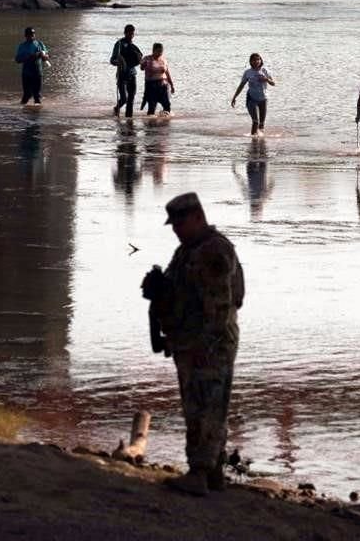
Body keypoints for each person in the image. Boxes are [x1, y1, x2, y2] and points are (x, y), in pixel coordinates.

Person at [143, 192, 245, 496]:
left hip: (209, 345)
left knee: (207, 408)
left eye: (180, 223)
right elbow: (179, 292)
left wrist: (203, 345)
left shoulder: (214, 251)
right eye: (173, 224)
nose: (176, 229)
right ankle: (212, 473)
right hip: (190, 343)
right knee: (198, 407)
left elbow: (220, 306)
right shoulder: (187, 251)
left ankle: (200, 472)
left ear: (198, 218)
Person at [231, 53, 275, 136]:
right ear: (250, 62)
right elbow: (241, 85)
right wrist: (234, 97)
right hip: (251, 99)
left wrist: (266, 79)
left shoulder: (265, 70)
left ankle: (260, 140)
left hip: (263, 99)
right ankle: (253, 140)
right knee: (255, 121)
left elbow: (273, 83)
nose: (256, 61)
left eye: (258, 59)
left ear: (261, 60)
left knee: (261, 123)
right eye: (254, 60)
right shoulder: (248, 72)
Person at [110, 24, 143, 117]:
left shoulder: (134, 47)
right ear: (125, 33)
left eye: (132, 34)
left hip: (132, 75)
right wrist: (118, 62)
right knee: (124, 99)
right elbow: (112, 59)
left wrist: (141, 60)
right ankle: (117, 108)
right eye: (129, 33)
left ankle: (129, 120)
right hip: (122, 75)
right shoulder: (119, 44)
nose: (131, 35)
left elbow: (140, 59)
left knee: (131, 100)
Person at [14, 26, 49, 105]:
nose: (32, 36)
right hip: (27, 73)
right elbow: (17, 60)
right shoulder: (22, 46)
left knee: (37, 95)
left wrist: (43, 56)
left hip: (37, 73)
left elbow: (46, 57)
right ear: (26, 36)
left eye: (33, 34)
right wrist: (30, 57)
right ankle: (21, 111)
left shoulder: (40, 44)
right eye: (30, 34)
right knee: (27, 95)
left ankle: (37, 114)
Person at [140, 43, 175, 116]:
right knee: (152, 107)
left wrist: (172, 85)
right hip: (151, 85)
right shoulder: (147, 58)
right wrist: (143, 65)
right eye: (158, 51)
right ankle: (150, 124)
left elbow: (167, 73)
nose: (160, 53)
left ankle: (164, 124)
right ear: (153, 50)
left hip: (163, 85)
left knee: (167, 105)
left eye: (161, 51)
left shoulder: (163, 60)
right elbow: (142, 68)